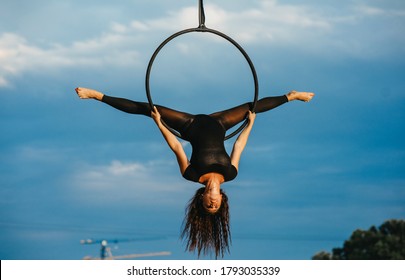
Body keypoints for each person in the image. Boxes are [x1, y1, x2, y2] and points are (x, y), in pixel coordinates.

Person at [75, 87, 314, 258]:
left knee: (148, 109)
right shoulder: (231, 174)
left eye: (208, 205)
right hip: (220, 123)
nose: (212, 202)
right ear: (222, 200)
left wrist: (159, 123)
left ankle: (97, 96)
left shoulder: (191, 175)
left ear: (202, 199)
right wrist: (250, 124)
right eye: (216, 205)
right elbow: (239, 146)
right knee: (254, 108)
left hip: (189, 125)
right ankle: (291, 96)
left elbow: (177, 146)